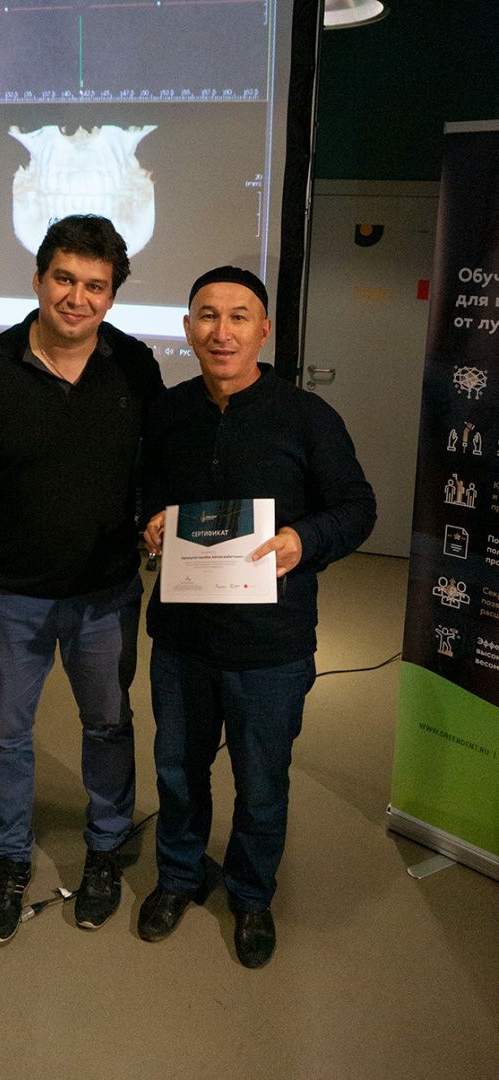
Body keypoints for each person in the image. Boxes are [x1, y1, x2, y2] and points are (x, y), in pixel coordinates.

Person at [0, 214, 163, 944]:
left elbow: (156, 464)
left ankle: (106, 849)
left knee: (109, 725)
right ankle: (9, 859)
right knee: (5, 735)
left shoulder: (135, 367)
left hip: (105, 595)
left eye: (95, 285)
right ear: (37, 280)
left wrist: (157, 517)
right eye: (64, 279)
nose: (77, 298)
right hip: (5, 597)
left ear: (112, 295)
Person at [137, 266, 376, 967]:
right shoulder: (169, 413)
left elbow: (356, 507)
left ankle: (249, 894)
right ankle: (179, 875)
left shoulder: (307, 417)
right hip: (182, 638)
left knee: (262, 781)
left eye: (239, 316)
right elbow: (144, 490)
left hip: (271, 645)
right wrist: (148, 520)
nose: (222, 331)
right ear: (188, 329)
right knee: (177, 770)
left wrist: (305, 539)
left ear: (263, 330)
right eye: (207, 316)